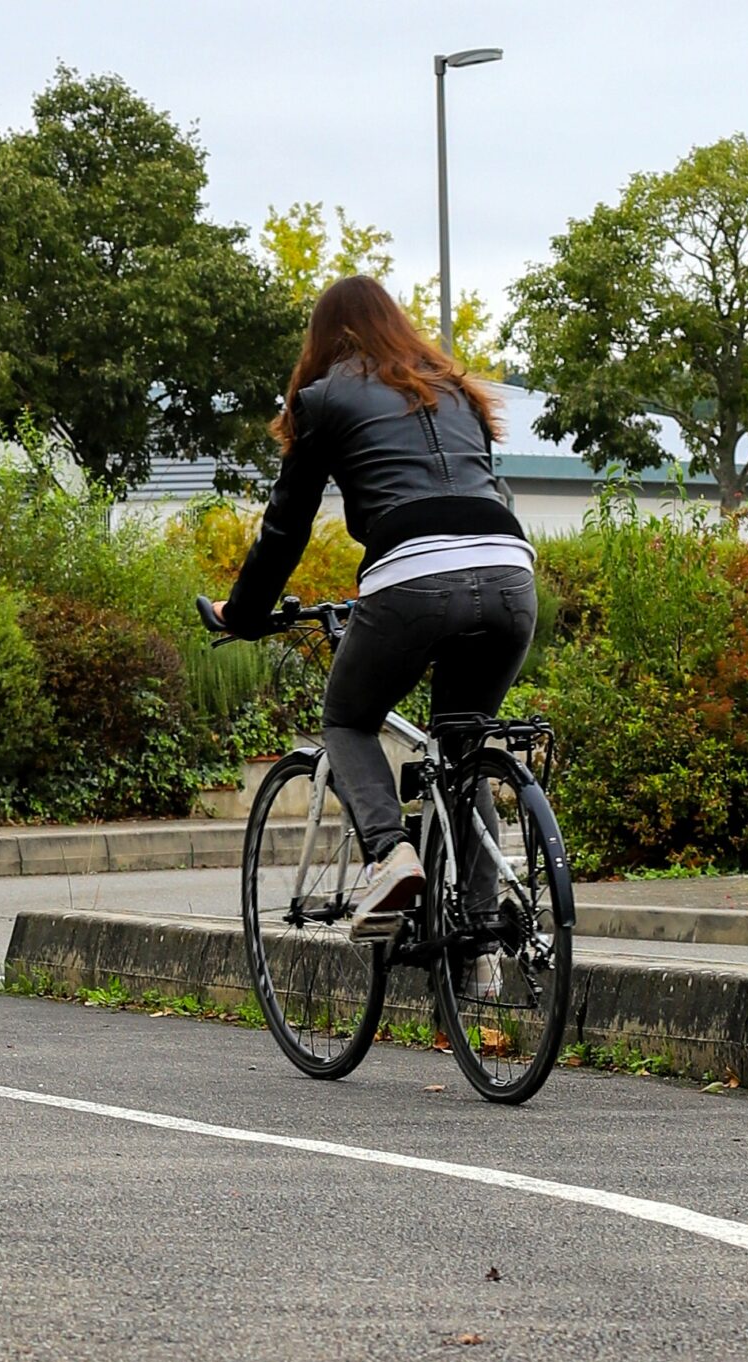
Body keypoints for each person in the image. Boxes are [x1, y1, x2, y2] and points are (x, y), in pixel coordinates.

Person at [199, 274, 537, 917]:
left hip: (412, 577)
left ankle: (391, 855)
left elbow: (285, 525)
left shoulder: (323, 399)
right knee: (463, 747)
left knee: (348, 720)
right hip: (510, 569)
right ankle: (482, 949)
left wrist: (241, 614)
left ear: (324, 338)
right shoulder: (459, 391)